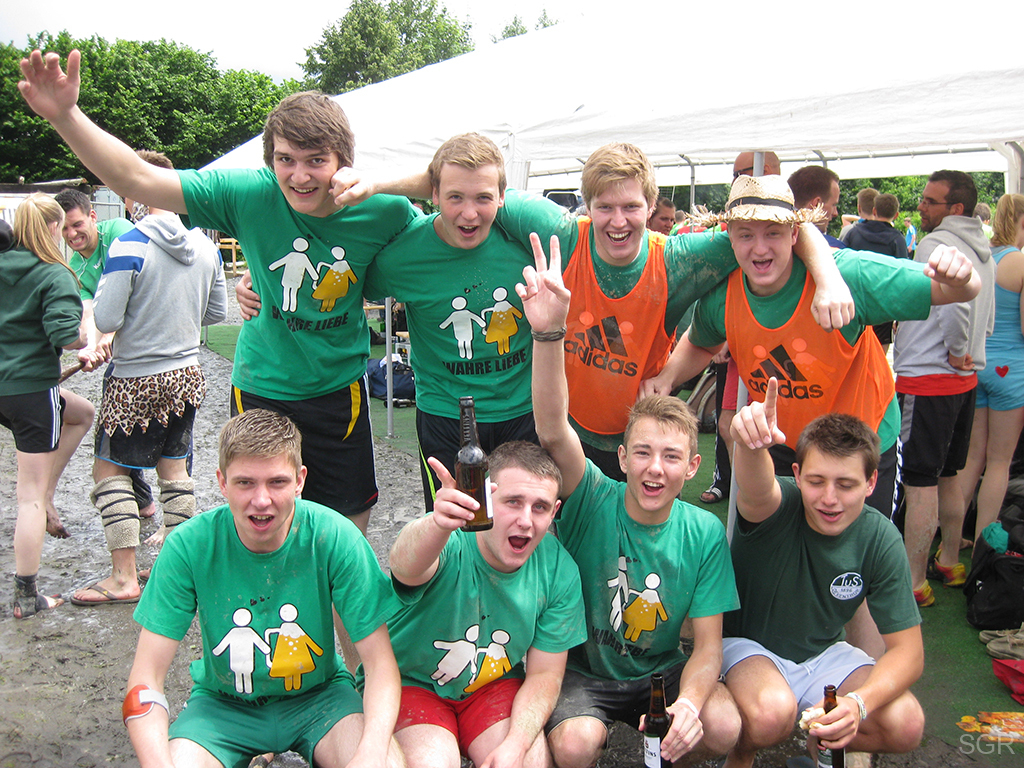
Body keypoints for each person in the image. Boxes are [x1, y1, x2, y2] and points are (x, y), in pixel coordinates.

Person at [17, 49, 419, 537]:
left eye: (316, 161)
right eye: (285, 160)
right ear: (271, 160)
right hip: (263, 385)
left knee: (348, 517)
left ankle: (330, 586)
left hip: (339, 390)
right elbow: (137, 177)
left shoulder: (383, 209)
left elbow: (458, 193)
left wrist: (382, 184)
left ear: (343, 162)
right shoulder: (249, 194)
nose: (299, 176)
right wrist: (66, 116)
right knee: (260, 516)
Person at [329, 142, 852, 483]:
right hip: (560, 431)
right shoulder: (559, 231)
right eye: (605, 207)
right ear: (586, 208)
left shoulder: (679, 258)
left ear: (651, 207)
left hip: (634, 437)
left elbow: (776, 223)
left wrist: (828, 278)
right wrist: (374, 185)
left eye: (631, 207)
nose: (618, 221)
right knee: (525, 531)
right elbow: (462, 181)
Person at [518, 232, 742, 767]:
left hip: (661, 673)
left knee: (722, 725)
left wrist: (688, 705)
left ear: (693, 469)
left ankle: (669, 749)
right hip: (585, 673)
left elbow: (708, 645)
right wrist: (548, 333)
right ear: (621, 458)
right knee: (573, 746)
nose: (654, 468)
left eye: (671, 457)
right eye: (642, 452)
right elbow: (552, 430)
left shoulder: (704, 532)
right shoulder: (593, 495)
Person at [644, 174, 981, 520]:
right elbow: (700, 343)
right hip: (783, 443)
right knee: (776, 543)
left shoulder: (848, 276)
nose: (759, 248)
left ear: (795, 234)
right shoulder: (723, 295)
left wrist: (962, 276)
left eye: (773, 233)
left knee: (856, 552)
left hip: (858, 448)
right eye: (746, 235)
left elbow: (955, 291)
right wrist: (667, 377)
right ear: (729, 237)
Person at [123, 409, 403, 768]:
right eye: (245, 483)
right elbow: (145, 681)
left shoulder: (335, 537)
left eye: (277, 482)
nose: (261, 500)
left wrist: (372, 752)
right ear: (222, 482)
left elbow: (380, 666)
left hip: (321, 699)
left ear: (300, 480)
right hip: (222, 707)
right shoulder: (189, 546)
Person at [724, 380, 925, 768]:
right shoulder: (777, 505)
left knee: (906, 722)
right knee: (771, 713)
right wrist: (750, 443)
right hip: (748, 646)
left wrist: (858, 703)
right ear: (797, 474)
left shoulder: (880, 537)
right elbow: (756, 486)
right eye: (816, 481)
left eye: (846, 485)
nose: (829, 498)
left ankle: (825, 744)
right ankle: (742, 751)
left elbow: (909, 652)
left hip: (825, 654)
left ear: (871, 482)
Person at [70, 150, 227, 606]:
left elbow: (106, 316)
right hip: (187, 375)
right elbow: (216, 313)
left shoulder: (129, 244)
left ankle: (123, 578)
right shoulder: (206, 247)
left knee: (110, 470)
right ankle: (177, 568)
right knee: (175, 471)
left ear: (133, 191)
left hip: (136, 378)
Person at [361, 134, 539, 509]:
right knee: (455, 523)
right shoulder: (405, 255)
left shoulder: (526, 243)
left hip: (522, 413)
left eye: (483, 198)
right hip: (445, 415)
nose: (469, 214)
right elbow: (350, 284)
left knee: (520, 522)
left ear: (502, 197)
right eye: (455, 197)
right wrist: (256, 285)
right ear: (434, 194)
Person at [384, 440, 586, 768]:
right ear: (485, 500)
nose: (525, 520)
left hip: (491, 684)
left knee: (527, 762)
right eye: (513, 502)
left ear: (554, 512)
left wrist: (516, 745)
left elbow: (544, 675)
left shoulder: (558, 570)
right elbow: (405, 567)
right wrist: (436, 523)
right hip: (411, 683)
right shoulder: (449, 537)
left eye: (540, 507)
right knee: (434, 762)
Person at [894, 169, 995, 607]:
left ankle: (914, 580)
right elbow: (985, 313)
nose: (920, 206)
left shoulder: (936, 244)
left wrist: (956, 349)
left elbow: (956, 307)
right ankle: (950, 560)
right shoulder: (984, 248)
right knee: (948, 475)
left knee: (919, 482)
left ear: (955, 207)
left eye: (929, 201)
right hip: (962, 381)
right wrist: (967, 352)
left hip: (928, 378)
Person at [0, 194, 87, 618]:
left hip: (5, 389)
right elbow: (66, 336)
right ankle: (26, 596)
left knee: (82, 413)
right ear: (54, 228)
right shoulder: (54, 272)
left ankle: (49, 491)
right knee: (28, 499)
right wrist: (87, 335)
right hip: (32, 391)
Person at [958, 193, 1024, 545]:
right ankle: (985, 542)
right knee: (1000, 462)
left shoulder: (983, 256)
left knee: (972, 457)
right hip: (1011, 371)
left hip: (978, 364)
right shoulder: (1019, 262)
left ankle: (952, 538)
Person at [843, 193, 910, 349]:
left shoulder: (853, 233)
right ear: (896, 215)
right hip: (883, 306)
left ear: (874, 210)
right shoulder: (897, 239)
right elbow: (903, 277)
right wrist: (899, 318)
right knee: (879, 352)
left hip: (855, 304)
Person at [788, 165, 844, 248]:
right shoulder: (834, 248)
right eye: (833, 205)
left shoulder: (773, 246)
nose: (835, 213)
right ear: (816, 205)